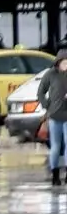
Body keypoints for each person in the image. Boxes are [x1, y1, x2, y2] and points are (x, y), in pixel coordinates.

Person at [37, 54, 67, 185]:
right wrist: (46, 105)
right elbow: (40, 92)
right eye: (64, 63)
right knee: (56, 146)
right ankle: (55, 175)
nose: (66, 65)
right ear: (58, 63)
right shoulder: (50, 74)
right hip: (54, 115)